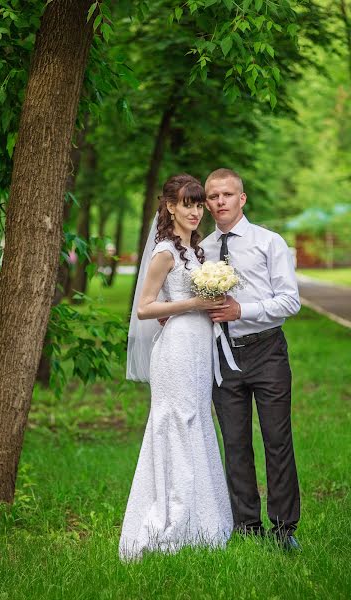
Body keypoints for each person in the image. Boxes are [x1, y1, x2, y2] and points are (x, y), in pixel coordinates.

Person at [120, 174, 233, 560]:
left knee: (197, 419)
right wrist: (191, 306)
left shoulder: (197, 251)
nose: (195, 211)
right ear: (170, 206)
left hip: (200, 347)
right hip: (176, 350)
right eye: (188, 204)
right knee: (176, 422)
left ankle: (204, 520)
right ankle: (174, 520)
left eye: (199, 205)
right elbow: (144, 307)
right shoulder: (166, 251)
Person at [201, 168, 301, 550]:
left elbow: (290, 301)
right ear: (207, 203)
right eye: (213, 196)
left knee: (277, 440)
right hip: (223, 357)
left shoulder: (268, 242)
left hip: (267, 351)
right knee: (235, 443)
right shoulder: (203, 250)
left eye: (227, 194)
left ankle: (283, 530)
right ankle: (246, 526)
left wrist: (243, 310)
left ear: (242, 199)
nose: (220, 201)